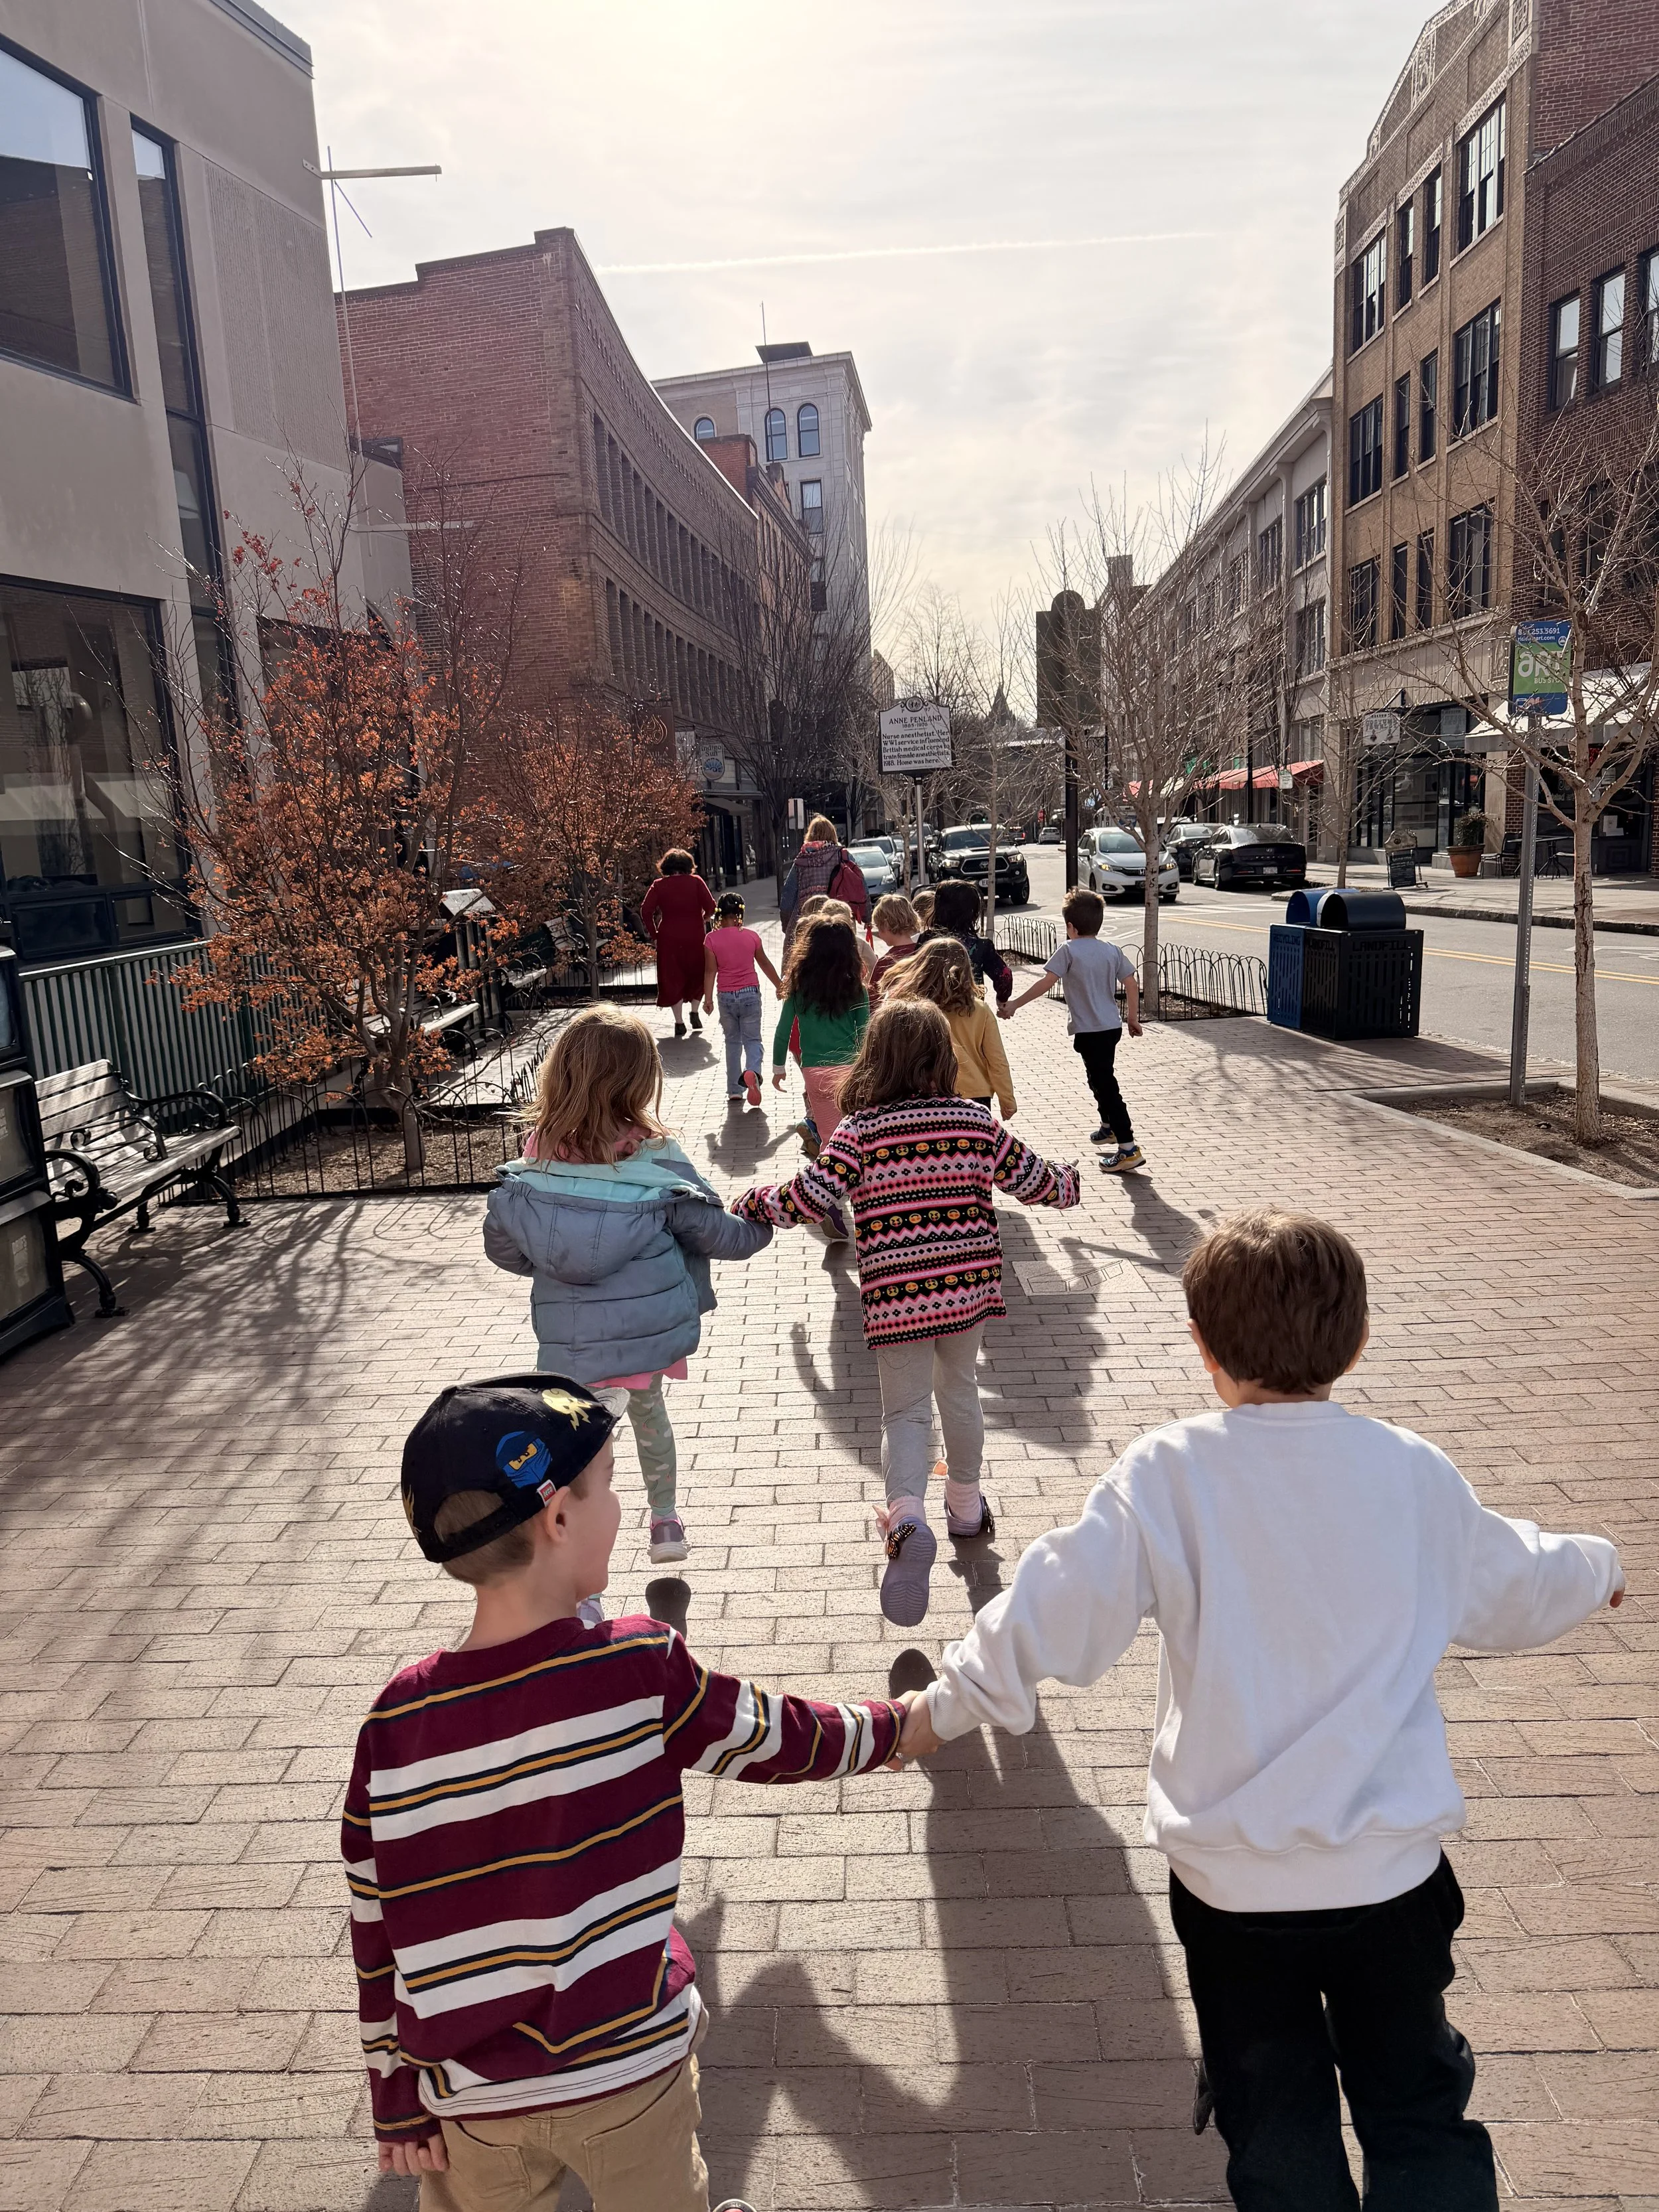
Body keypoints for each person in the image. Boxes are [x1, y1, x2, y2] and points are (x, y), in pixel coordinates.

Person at [896, 1209, 1626, 2211]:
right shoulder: (1408, 1471)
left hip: (1235, 1886)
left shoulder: (1167, 1474)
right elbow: (1517, 1581)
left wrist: (941, 1707)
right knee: (1415, 2104)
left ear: (1203, 1349)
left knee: (1273, 2113)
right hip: (1391, 1875)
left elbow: (1054, 1604)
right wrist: (1602, 1569)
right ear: (1358, 1342)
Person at [349, 1374, 909, 2209]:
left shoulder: (395, 1719)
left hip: (469, 2097)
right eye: (611, 1487)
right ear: (559, 1518)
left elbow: (377, 1917)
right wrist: (899, 1727)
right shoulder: (636, 1666)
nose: (620, 1510)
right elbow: (782, 1736)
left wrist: (395, 2091)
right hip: (627, 2071)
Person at [734, 999, 1078, 1627]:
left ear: (876, 1058)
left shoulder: (861, 1130)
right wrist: (1070, 1182)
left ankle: (907, 1514)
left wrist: (753, 1201)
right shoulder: (973, 1122)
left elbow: (811, 1196)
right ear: (943, 1058)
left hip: (897, 1293)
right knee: (962, 1392)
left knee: (906, 1411)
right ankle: (967, 1508)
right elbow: (1036, 1181)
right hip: (966, 1288)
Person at [482, 1007, 770, 1572]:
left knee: (583, 1452)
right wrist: (764, 1218)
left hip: (570, 1344)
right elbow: (714, 1233)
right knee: (649, 1418)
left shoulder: (537, 1152)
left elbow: (505, 1246)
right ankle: (665, 1520)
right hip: (643, 1340)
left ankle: (580, 1574)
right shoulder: (654, 1155)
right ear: (640, 1080)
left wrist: (554, 1263)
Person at [1000, 885, 1145, 1172]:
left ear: (1070, 926)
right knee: (1098, 1078)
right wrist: (1133, 1017)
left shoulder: (1068, 950)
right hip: (1110, 1027)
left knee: (1105, 1085)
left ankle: (1128, 1148)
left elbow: (1046, 983)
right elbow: (1131, 982)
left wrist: (1015, 1004)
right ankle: (1109, 1126)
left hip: (1090, 1031)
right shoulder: (1111, 951)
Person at [883, 936, 1015, 1118]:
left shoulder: (913, 1008)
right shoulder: (979, 1010)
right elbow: (996, 1059)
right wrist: (1007, 1099)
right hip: (975, 1095)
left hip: (928, 1091)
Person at [770, 913, 869, 1151]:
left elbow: (782, 1031)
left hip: (814, 1071)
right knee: (856, 1135)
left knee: (828, 1138)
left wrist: (778, 1069)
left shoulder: (799, 989)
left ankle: (829, 1179)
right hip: (850, 1071)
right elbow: (865, 1033)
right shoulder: (856, 989)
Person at [701, 892, 782, 1108]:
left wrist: (707, 1000)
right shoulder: (752, 936)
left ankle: (735, 1091)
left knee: (732, 1042)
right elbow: (764, 964)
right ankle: (753, 1071)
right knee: (753, 1040)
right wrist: (779, 985)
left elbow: (710, 972)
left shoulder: (711, 940)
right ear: (741, 913)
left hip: (725, 996)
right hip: (750, 994)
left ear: (719, 914)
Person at [640, 849, 716, 1038]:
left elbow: (645, 910)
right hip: (696, 937)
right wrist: (704, 919)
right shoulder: (696, 882)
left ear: (666, 866)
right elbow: (712, 906)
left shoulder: (659, 885)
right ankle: (695, 1012)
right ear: (688, 866)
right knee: (697, 973)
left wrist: (654, 934)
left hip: (669, 939)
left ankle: (679, 1022)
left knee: (673, 978)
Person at [919, 879, 1013, 1005]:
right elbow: (1005, 977)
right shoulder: (982, 947)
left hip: (934, 1013)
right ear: (973, 912)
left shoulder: (927, 940)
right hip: (970, 1013)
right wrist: (1002, 1000)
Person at [778, 813, 868, 941]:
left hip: (809, 925)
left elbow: (788, 896)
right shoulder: (843, 856)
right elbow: (861, 886)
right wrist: (867, 918)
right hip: (840, 922)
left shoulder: (801, 861)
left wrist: (787, 926)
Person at [868, 892, 921, 999]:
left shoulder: (885, 963)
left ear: (886, 925)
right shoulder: (924, 952)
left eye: (878, 927)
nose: (878, 934)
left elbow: (873, 1000)